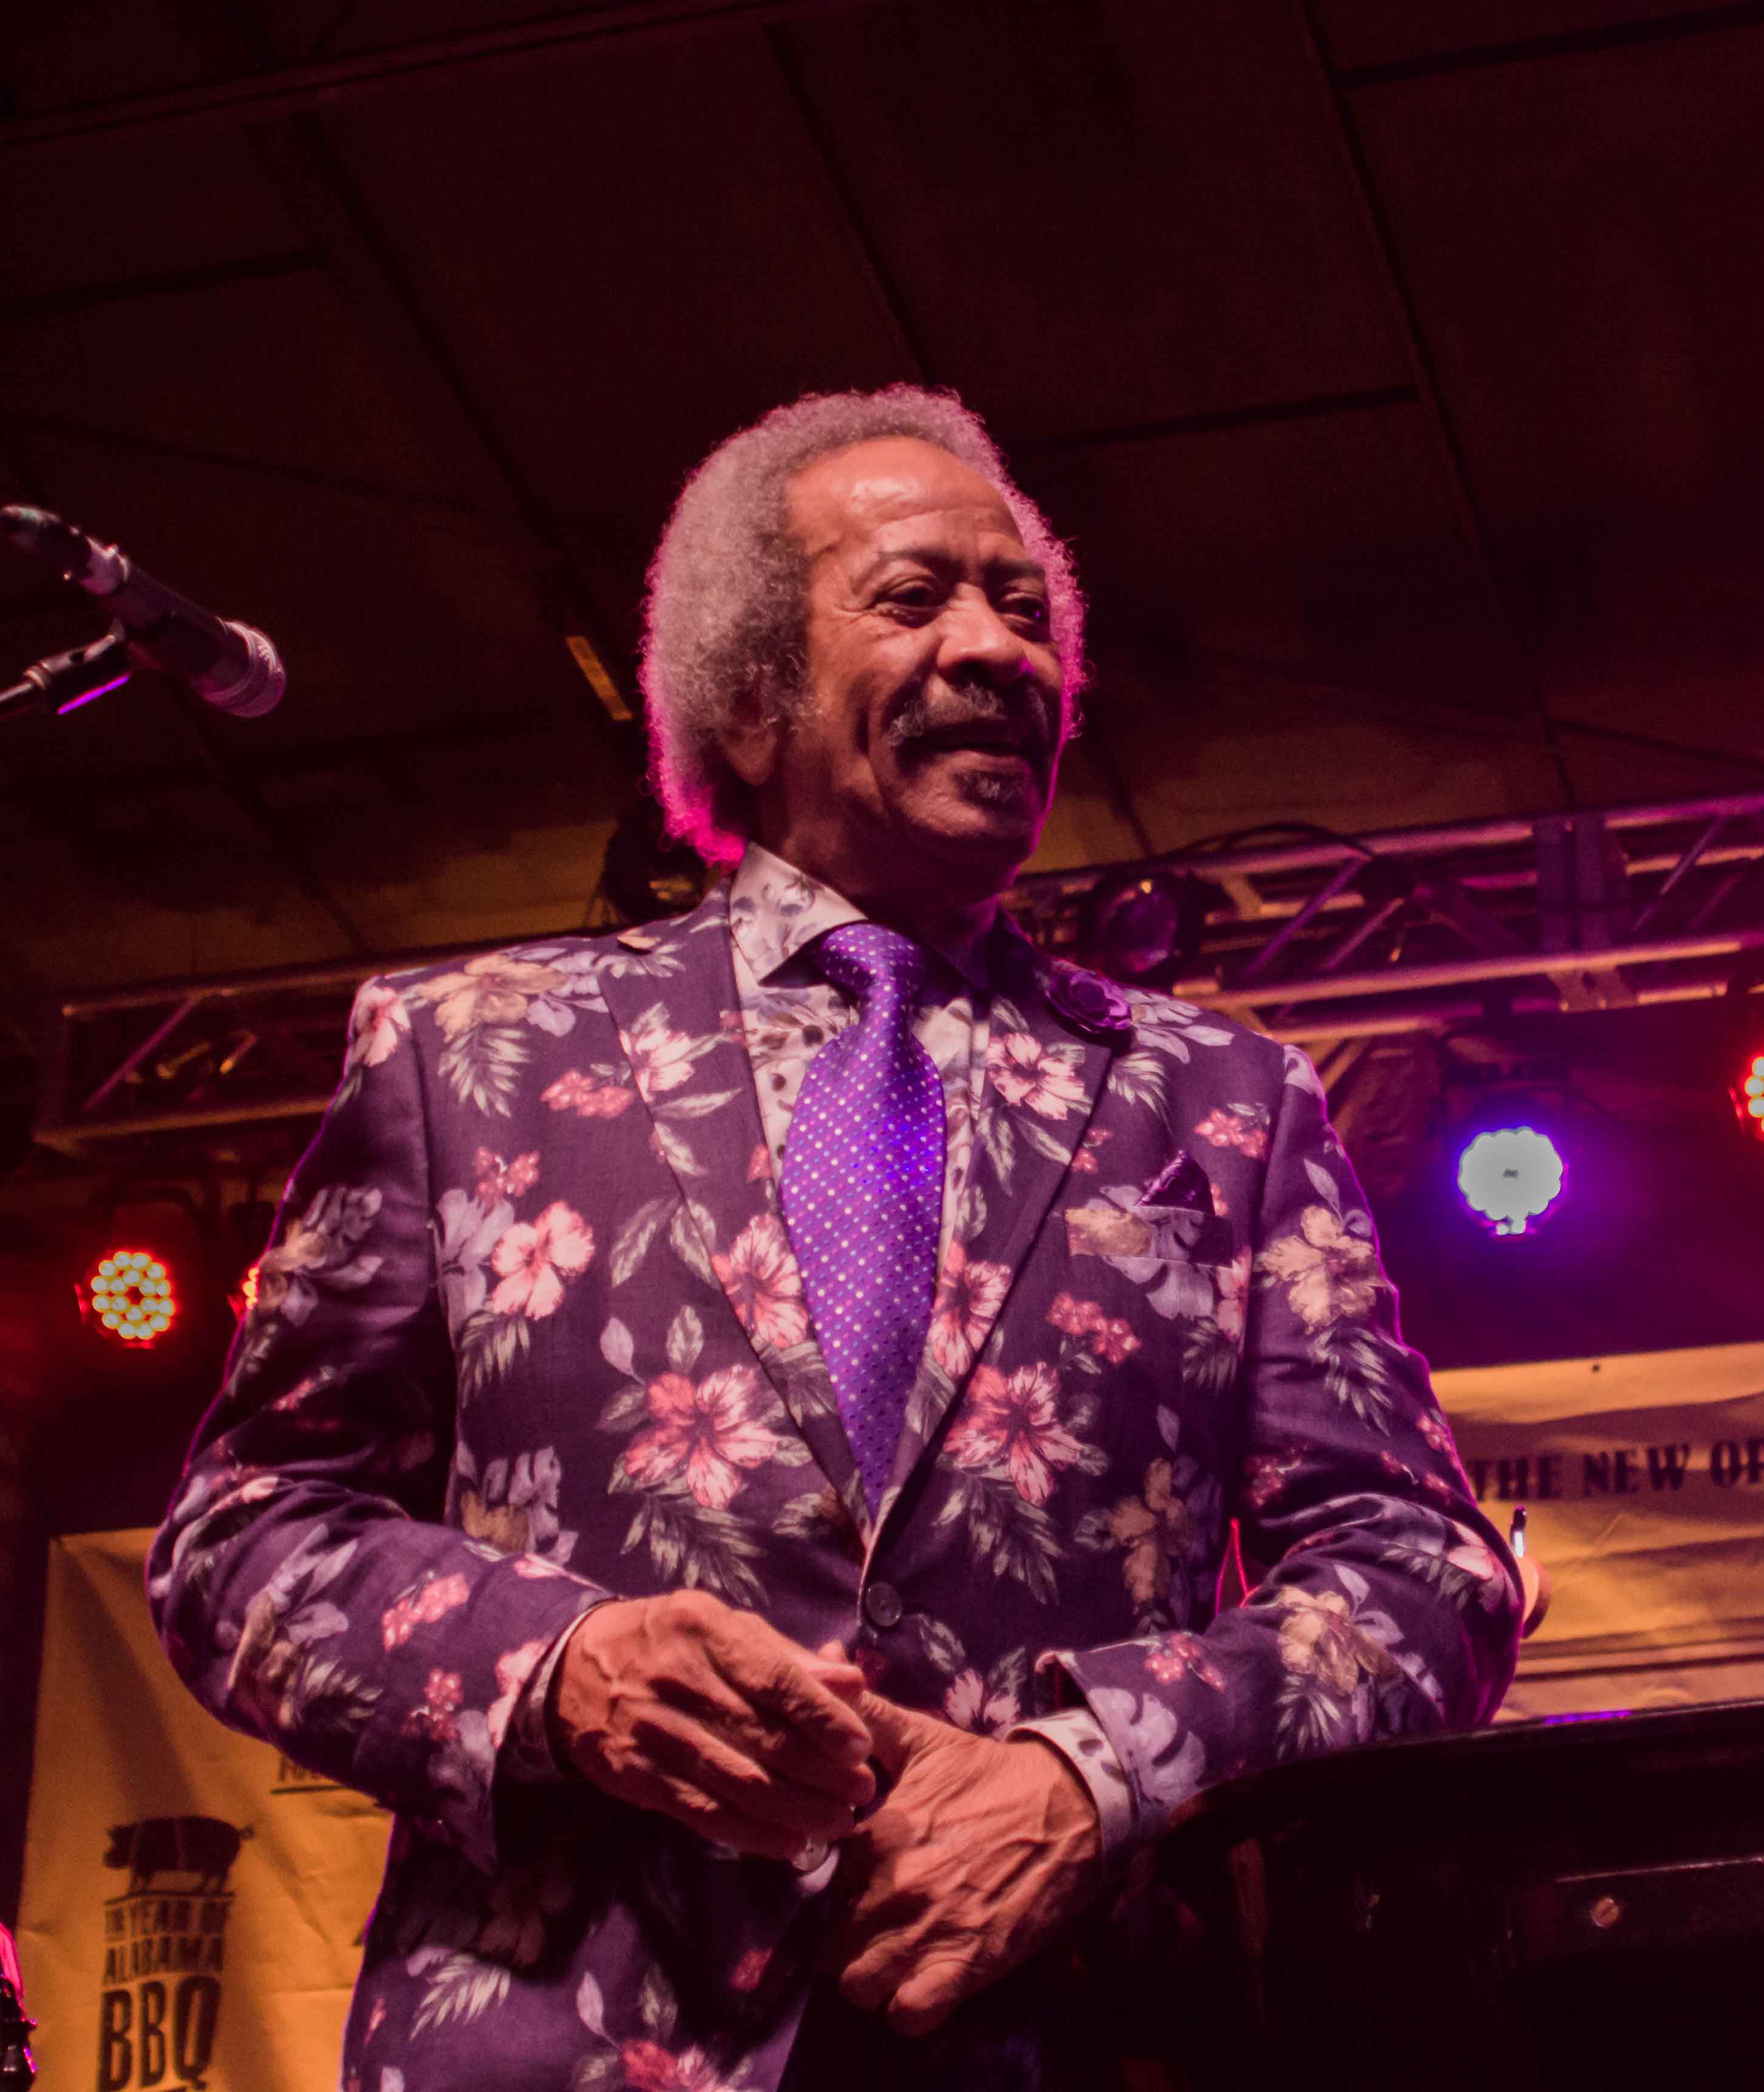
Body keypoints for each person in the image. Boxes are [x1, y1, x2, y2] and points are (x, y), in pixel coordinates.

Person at [148, 385, 1519, 2089]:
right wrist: (555, 1670)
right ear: (746, 695)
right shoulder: (466, 1053)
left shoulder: (1222, 1100)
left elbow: (1423, 1573)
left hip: (1062, 2040)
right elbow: (245, 1537)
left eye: (1025, 610)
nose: (999, 648)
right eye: (916, 596)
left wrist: (1096, 1774)